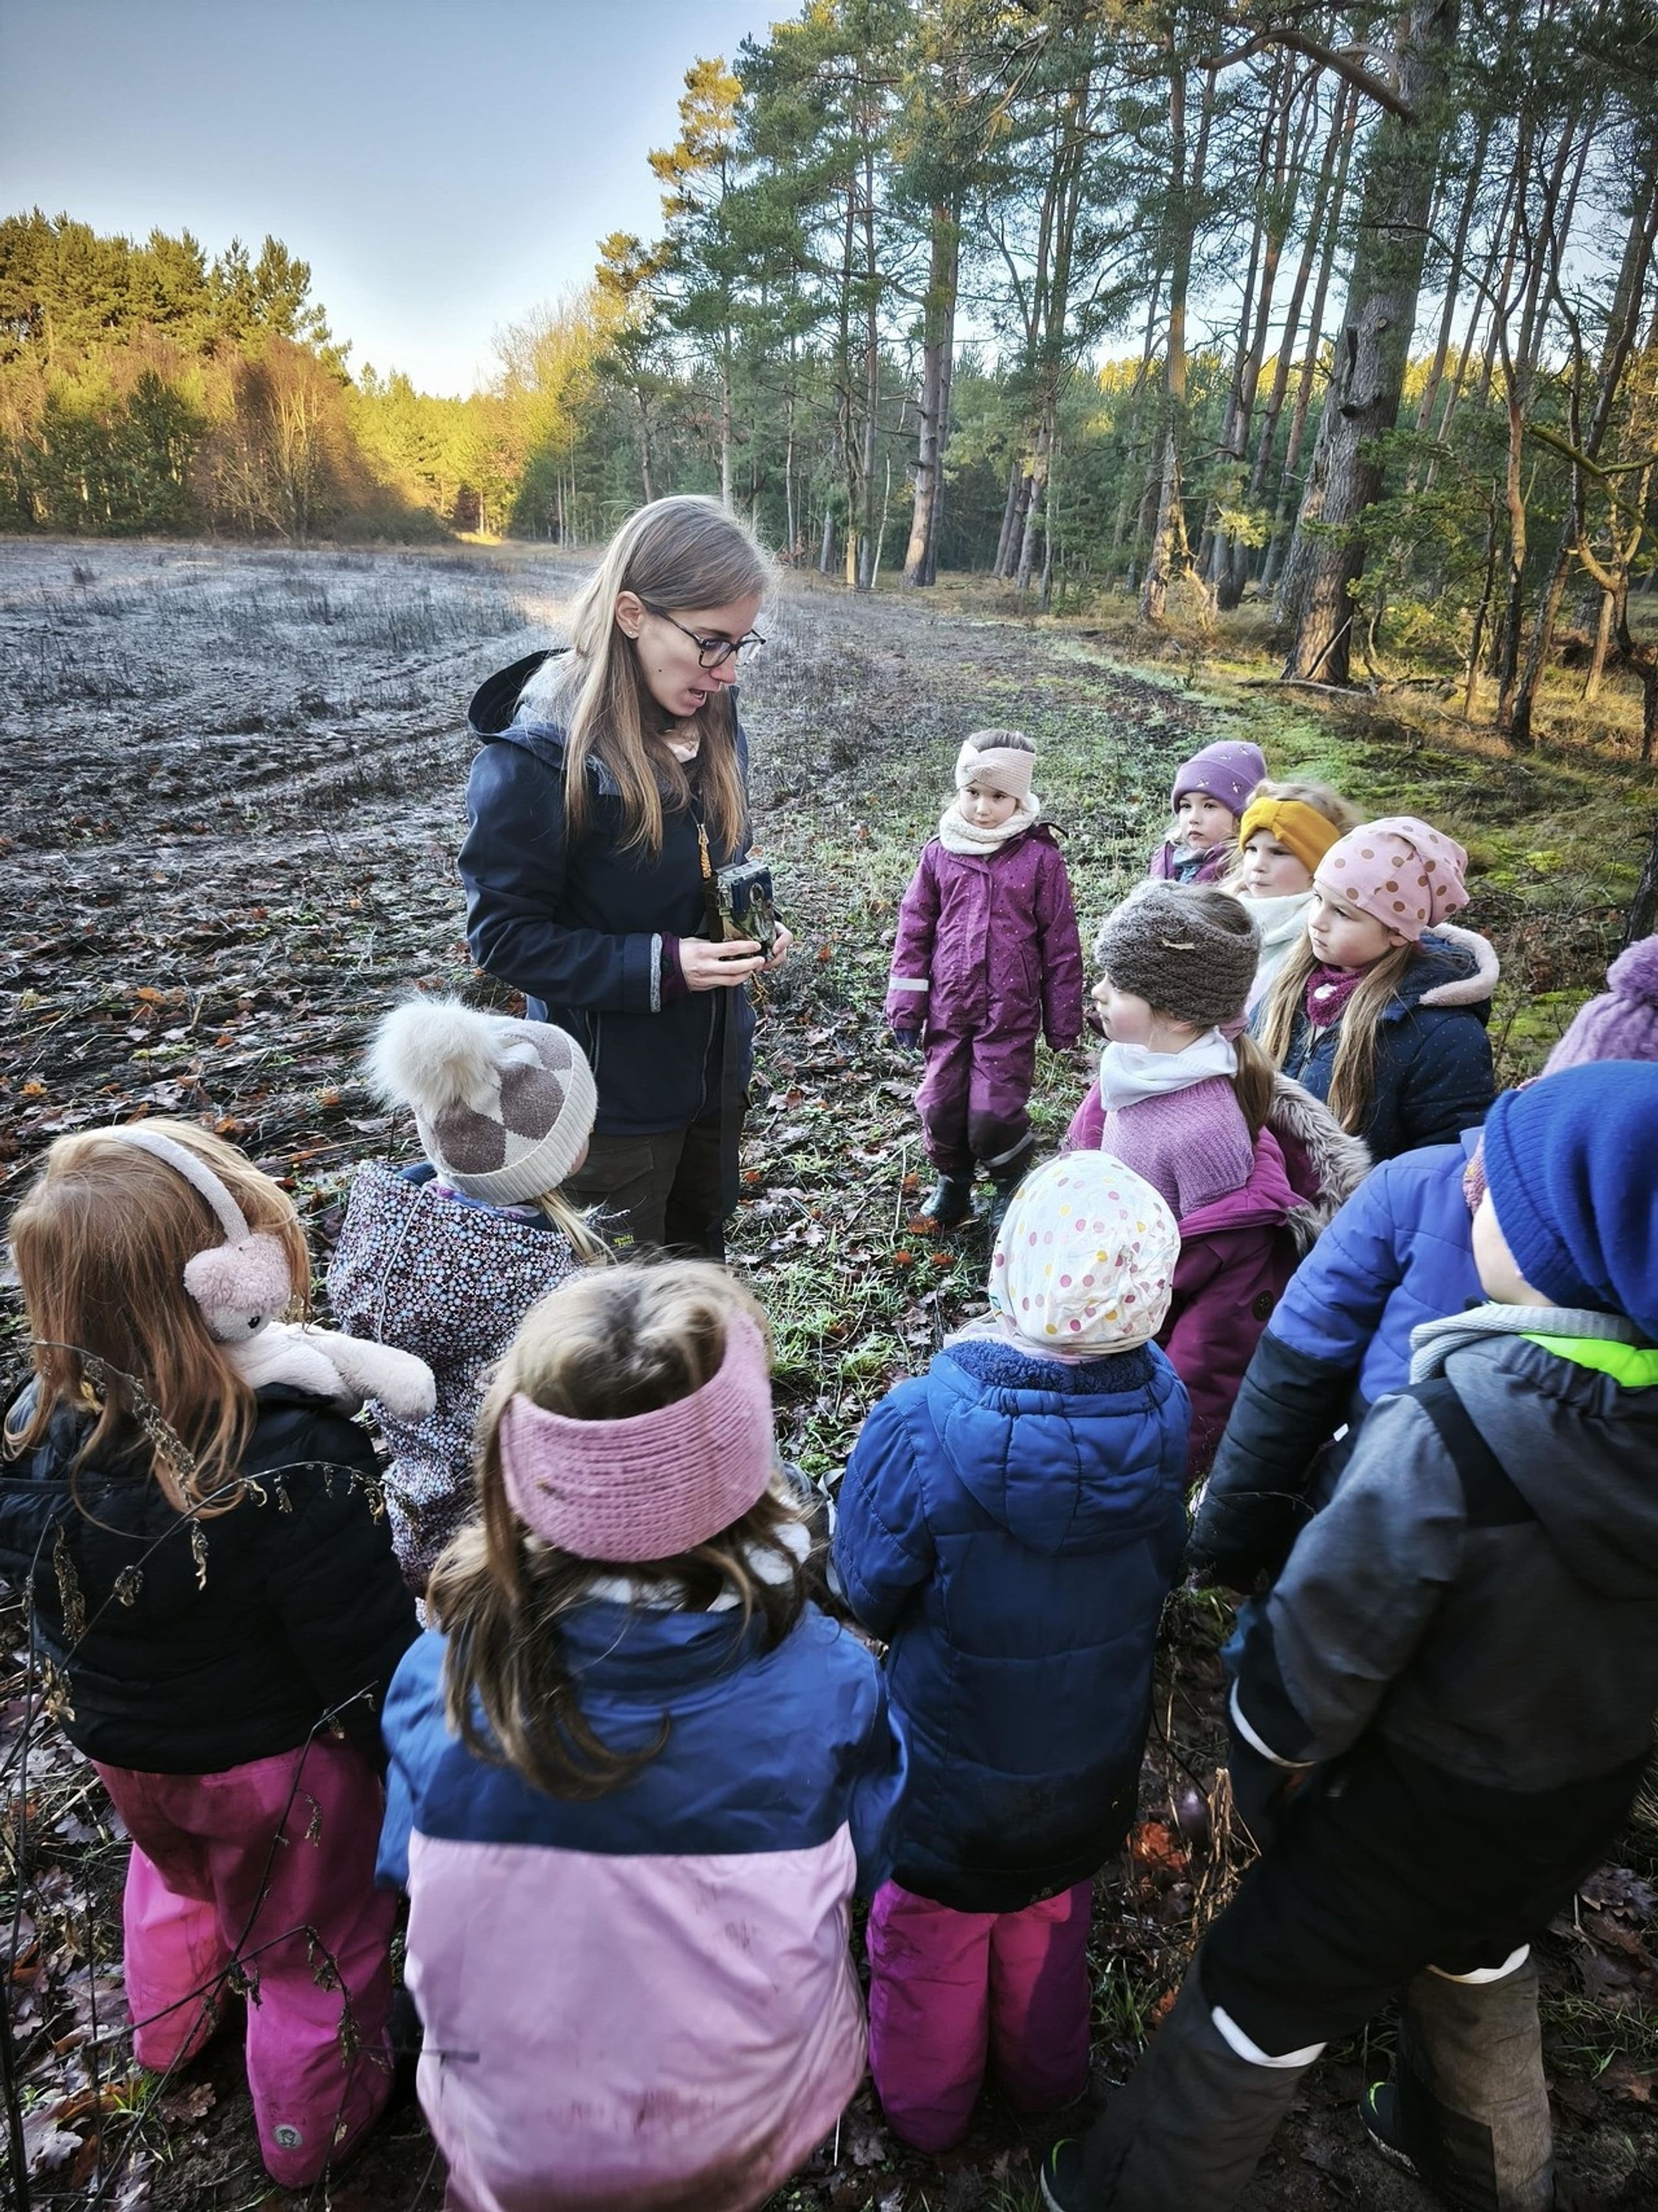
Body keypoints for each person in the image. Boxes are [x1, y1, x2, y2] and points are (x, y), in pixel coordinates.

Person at [1040, 1062, 1658, 2212]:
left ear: (1566, 1246)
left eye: (1495, 1197)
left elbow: (1312, 1658)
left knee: (1255, 1994)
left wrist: (1265, 1768)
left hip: (1400, 1807)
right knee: (1482, 1955)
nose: (1465, 1186)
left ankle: (1128, 2184)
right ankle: (1484, 2166)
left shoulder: (1444, 1428)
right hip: (1572, 1792)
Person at [379, 1261, 907, 2212]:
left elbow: (398, 1868)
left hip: (515, 2143)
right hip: (738, 2126)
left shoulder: (442, 1680)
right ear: (745, 1460)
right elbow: (875, 1854)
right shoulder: (828, 1680)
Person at [0, 1123, 417, 2190]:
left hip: (129, 1752)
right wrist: (403, 1755)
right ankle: (307, 2137)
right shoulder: (291, 1452)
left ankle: (166, 2037)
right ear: (223, 1279)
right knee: (309, 1946)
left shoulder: (34, 1432)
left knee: (176, 1879)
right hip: (279, 1770)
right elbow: (359, 1648)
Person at [831, 1155, 1189, 2153]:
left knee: (926, 1949)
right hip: (1084, 1775)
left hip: (940, 1786)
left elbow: (863, 1584)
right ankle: (1045, 2091)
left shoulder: (920, 1423)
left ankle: (925, 2116)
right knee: (1047, 1931)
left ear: (1005, 1268)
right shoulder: (1162, 1417)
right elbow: (1167, 1558)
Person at [1193, 929, 1658, 1590]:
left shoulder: (1436, 1081)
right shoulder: (1412, 1189)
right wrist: (1225, 1556)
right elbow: (1288, 1380)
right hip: (1343, 1526)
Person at [458, 495, 791, 1261]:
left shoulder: (713, 716)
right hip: (608, 1103)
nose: (728, 669)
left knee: (698, 1263)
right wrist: (664, 965)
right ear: (633, 614)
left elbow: (716, 856)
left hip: (713, 1074)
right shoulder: (538, 762)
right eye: (712, 642)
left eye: (742, 644)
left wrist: (750, 926)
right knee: (621, 1307)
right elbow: (504, 937)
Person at [1064, 885, 1368, 1478]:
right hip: (1101, 1303)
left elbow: (1219, 1306)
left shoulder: (1205, 1130)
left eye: (1119, 985)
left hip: (1141, 1345)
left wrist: (1178, 1444)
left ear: (1177, 1013)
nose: (1097, 992)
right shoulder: (1134, 1068)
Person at [328, 994, 605, 1595]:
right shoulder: (551, 1288)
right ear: (560, 1152)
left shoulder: (384, 1237)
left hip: (419, 1521)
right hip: (517, 1548)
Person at [886, 729, 1086, 1233]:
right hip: (948, 1010)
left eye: (997, 796)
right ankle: (952, 1183)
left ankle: (1007, 1183)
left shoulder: (1039, 857)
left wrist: (1063, 1019)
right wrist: (907, 1005)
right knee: (939, 1105)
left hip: (1008, 1010)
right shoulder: (939, 854)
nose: (981, 808)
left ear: (1019, 797)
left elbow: (1060, 941)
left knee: (993, 1111)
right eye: (972, 793)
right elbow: (913, 932)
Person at [1253, 815, 1496, 1161]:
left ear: (1398, 931)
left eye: (1343, 913)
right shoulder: (1291, 982)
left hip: (1356, 1208)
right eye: (1318, 899)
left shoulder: (1443, 1034)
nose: (1317, 921)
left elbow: (1443, 1163)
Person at [1147, 740, 1265, 885]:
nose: (1193, 819)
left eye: (1209, 806)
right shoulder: (1166, 858)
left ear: (1241, 815)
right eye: (1186, 806)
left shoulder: (1247, 871)